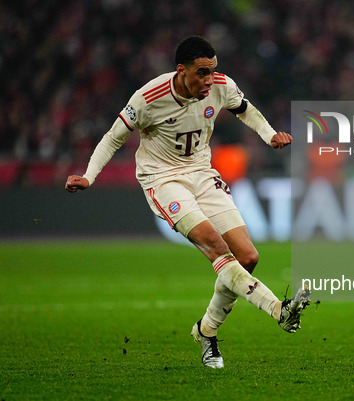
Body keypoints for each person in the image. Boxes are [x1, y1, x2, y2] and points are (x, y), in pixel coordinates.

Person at [65, 35, 311, 368]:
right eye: (201, 73)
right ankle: (278, 311)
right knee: (215, 246)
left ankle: (206, 331)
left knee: (248, 257)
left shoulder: (220, 86)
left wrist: (269, 135)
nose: (209, 80)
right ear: (181, 71)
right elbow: (113, 138)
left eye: (212, 71)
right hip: (163, 180)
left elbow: (245, 109)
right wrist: (89, 176)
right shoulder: (149, 98)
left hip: (201, 173)